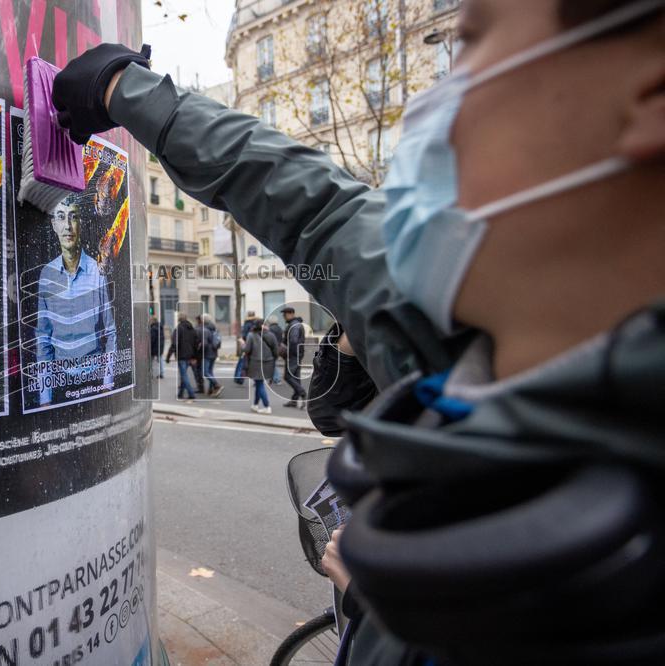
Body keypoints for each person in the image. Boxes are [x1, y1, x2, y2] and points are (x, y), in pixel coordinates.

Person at [53, 2, 665, 663]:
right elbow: (320, 209)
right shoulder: (492, 333)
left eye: (470, 42)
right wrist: (134, 93)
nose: (437, 99)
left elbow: (323, 212)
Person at [35, 196, 117, 406]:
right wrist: (46, 396)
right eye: (61, 217)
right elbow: (43, 338)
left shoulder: (97, 272)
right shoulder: (47, 274)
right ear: (54, 225)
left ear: (80, 223)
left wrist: (107, 383)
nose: (68, 226)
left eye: (74, 217)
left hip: (93, 382)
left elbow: (110, 332)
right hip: (60, 382)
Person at [242, 321, 279, 414]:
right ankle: (255, 404)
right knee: (259, 383)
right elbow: (276, 351)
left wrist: (242, 344)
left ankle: (267, 406)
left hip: (256, 363)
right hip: (269, 362)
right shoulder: (271, 335)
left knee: (259, 384)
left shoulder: (251, 335)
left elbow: (247, 349)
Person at [165, 312, 199, 400]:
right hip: (191, 356)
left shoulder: (178, 329)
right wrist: (195, 356)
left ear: (179, 319)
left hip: (182, 356)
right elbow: (196, 344)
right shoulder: (192, 329)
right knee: (184, 375)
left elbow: (174, 344)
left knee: (184, 375)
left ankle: (191, 393)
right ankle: (180, 393)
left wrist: (168, 356)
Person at [280, 307, 307, 409]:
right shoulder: (295, 324)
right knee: (296, 377)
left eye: (285, 315)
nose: (284, 317)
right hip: (298, 354)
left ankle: (303, 393)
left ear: (291, 314)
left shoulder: (294, 325)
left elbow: (293, 341)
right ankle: (294, 401)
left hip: (293, 355)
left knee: (288, 376)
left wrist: (287, 353)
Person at [233, 310, 261, 385]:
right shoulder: (257, 323)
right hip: (256, 346)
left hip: (247, 345)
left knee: (242, 362)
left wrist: (242, 342)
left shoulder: (247, 324)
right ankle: (256, 379)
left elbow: (244, 335)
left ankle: (239, 378)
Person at [199, 313, 223, 396]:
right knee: (210, 371)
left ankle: (216, 385)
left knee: (205, 372)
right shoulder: (214, 328)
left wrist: (199, 349)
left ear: (203, 320)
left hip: (207, 354)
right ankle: (211, 390)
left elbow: (204, 344)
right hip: (214, 352)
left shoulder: (205, 330)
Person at [267, 317, 284, 384]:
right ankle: (272, 378)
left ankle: (277, 379)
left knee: (272, 363)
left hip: (272, 348)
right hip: (278, 347)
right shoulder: (279, 328)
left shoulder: (270, 329)